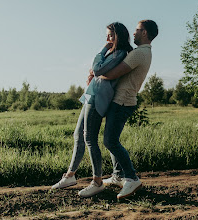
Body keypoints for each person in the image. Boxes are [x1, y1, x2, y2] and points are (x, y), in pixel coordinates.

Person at [51, 22, 133, 198]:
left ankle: (97, 182)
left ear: (118, 36)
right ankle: (70, 175)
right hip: (91, 96)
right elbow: (97, 74)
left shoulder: (119, 53)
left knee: (89, 139)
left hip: (98, 100)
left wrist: (102, 50)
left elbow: (98, 69)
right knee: (78, 135)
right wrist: (93, 76)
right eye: (106, 36)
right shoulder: (113, 52)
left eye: (110, 35)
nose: (107, 39)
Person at [95, 20, 159, 199]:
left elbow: (113, 73)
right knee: (112, 139)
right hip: (121, 100)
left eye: (138, 30)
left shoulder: (139, 53)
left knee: (110, 141)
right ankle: (117, 175)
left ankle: (131, 177)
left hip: (122, 102)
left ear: (145, 33)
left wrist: (97, 72)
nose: (134, 33)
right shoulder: (142, 53)